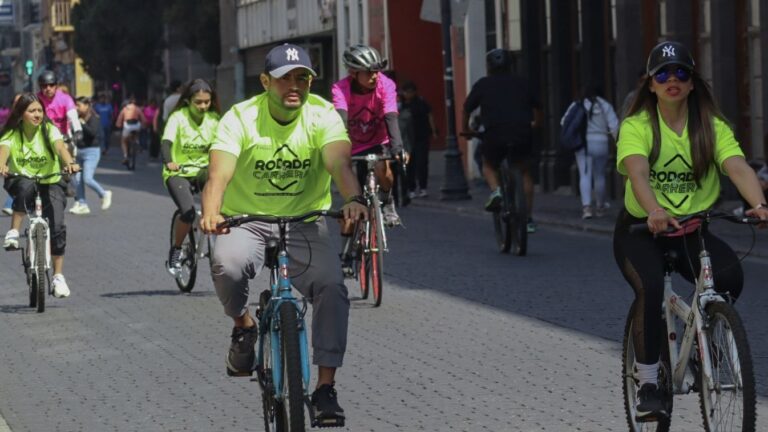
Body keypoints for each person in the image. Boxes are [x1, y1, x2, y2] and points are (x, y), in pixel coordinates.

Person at [200, 43, 365, 425]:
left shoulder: (323, 114)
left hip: (306, 218)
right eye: (284, 78)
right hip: (247, 218)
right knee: (226, 263)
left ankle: (325, 388)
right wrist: (211, 212)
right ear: (265, 82)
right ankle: (244, 328)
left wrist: (353, 198)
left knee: (332, 288)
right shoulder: (240, 118)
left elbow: (339, 162)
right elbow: (218, 175)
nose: (295, 85)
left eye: (302, 77)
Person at [613, 41, 768, 420]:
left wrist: (760, 204)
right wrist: (654, 210)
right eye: (662, 73)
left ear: (692, 82)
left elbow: (737, 167)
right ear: (650, 84)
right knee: (650, 287)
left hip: (692, 228)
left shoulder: (712, 127)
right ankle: (649, 384)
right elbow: (638, 173)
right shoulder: (637, 126)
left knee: (729, 275)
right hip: (640, 231)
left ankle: (705, 347)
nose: (672, 80)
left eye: (681, 72)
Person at [0, 93, 80, 298]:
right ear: (21, 114)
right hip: (21, 178)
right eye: (32, 111)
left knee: (58, 226)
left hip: (51, 180)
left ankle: (58, 276)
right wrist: (1, 163)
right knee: (26, 187)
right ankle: (13, 232)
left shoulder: (49, 130)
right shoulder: (12, 133)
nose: (37, 114)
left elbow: (60, 147)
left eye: (39, 110)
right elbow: (4, 150)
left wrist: (69, 162)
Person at [462, 48, 542, 233]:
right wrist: (536, 123)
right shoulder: (523, 83)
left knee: (488, 164)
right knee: (524, 172)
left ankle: (496, 190)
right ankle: (528, 218)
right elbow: (539, 107)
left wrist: (466, 130)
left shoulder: (483, 84)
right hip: (522, 132)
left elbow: (466, 109)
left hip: (494, 133)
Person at [331, 44, 407, 227]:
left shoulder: (385, 84)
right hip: (351, 143)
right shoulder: (340, 89)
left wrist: (398, 148)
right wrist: (340, 151)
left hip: (377, 140)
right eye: (368, 72)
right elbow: (341, 120)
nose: (374, 76)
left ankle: (388, 202)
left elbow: (391, 116)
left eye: (376, 71)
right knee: (353, 202)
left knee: (384, 169)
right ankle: (349, 250)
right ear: (353, 72)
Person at [162, 79, 220, 275]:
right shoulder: (178, 118)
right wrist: (169, 161)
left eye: (207, 101)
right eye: (198, 102)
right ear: (188, 101)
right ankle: (176, 250)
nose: (203, 106)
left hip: (203, 170)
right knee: (187, 213)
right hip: (179, 172)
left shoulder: (214, 120)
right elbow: (166, 143)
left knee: (224, 205)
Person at [560, 86, 619, 219]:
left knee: (584, 175)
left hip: (583, 143)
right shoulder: (605, 105)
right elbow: (614, 127)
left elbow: (564, 121)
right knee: (600, 176)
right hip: (602, 143)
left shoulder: (578, 104)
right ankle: (600, 207)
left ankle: (587, 208)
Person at [69, 96, 112, 215]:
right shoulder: (76, 118)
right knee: (77, 179)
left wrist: (81, 123)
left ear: (87, 106)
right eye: (75, 105)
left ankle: (104, 193)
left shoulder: (94, 118)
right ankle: (82, 204)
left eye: (79, 105)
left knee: (87, 178)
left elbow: (92, 133)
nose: (76, 108)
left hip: (91, 152)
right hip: (79, 151)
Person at [400, 81, 437, 198]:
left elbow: (429, 115)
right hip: (407, 139)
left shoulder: (421, 103)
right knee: (409, 163)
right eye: (406, 92)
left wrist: (434, 130)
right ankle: (411, 188)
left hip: (421, 136)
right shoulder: (401, 105)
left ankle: (422, 187)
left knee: (422, 163)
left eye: (410, 92)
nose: (408, 94)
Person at [36, 70, 82, 141]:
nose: (48, 88)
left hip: (64, 136)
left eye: (51, 85)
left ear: (56, 86)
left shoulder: (65, 98)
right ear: (40, 87)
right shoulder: (36, 100)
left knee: (69, 149)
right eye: (44, 86)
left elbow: (73, 116)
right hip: (43, 137)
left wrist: (78, 130)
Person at [115, 97, 147, 167]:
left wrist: (118, 125)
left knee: (123, 141)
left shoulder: (125, 108)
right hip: (136, 125)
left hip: (128, 125)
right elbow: (143, 119)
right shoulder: (137, 108)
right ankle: (137, 142)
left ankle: (126, 156)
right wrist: (144, 125)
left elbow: (120, 118)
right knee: (136, 135)